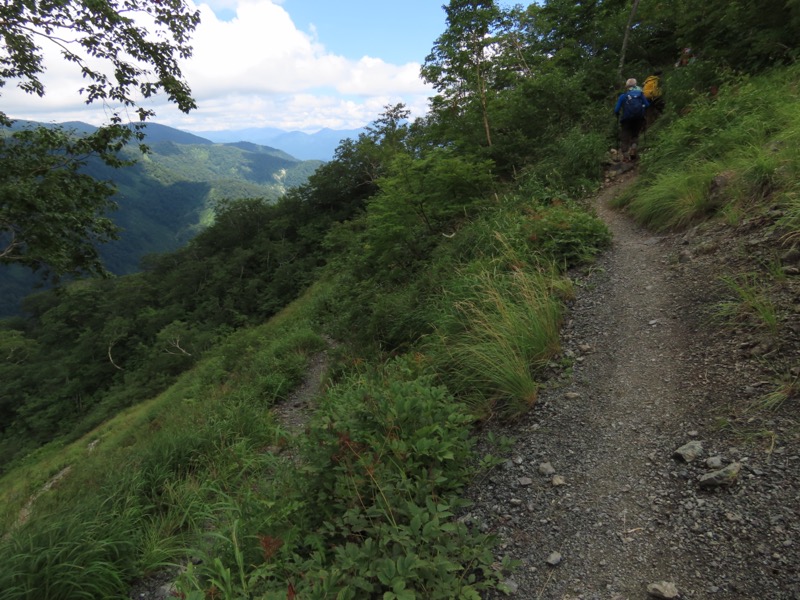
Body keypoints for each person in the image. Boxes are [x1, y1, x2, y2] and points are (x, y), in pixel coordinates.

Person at [614, 78, 649, 162]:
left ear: (627, 87)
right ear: (635, 85)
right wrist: (642, 108)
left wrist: (617, 114)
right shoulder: (640, 94)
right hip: (638, 119)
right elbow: (647, 104)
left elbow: (616, 110)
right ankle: (633, 148)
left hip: (626, 120)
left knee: (625, 137)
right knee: (635, 135)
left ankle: (625, 155)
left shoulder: (623, 96)